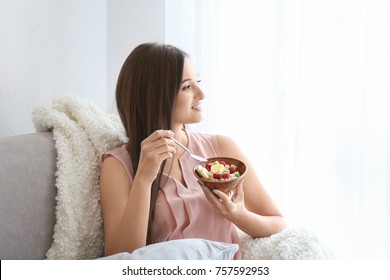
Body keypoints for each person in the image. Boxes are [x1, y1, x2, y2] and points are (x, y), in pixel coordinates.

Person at [99, 42, 287, 259]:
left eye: (197, 81)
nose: (202, 93)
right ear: (156, 96)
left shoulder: (222, 148)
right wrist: (143, 178)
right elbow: (118, 257)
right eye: (187, 87)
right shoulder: (117, 165)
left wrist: (238, 215)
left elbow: (279, 223)